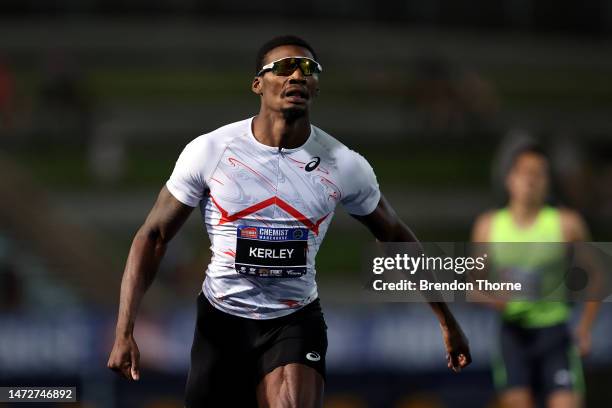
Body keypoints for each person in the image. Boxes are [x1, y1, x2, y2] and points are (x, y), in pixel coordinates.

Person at [107, 35, 471, 408]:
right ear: (257, 84)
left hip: (294, 322)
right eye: (283, 68)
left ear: (315, 86)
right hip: (222, 320)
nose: (297, 75)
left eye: (308, 69)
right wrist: (124, 330)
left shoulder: (344, 164)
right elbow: (152, 236)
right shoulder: (210, 151)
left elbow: (395, 236)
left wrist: (447, 320)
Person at [471, 143, 600, 408]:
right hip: (513, 335)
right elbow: (473, 284)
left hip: (555, 333)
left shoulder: (566, 225)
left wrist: (585, 328)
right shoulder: (488, 227)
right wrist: (494, 298)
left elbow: (598, 275)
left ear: (547, 182)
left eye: (538, 173)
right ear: (510, 179)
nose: (530, 180)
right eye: (524, 172)